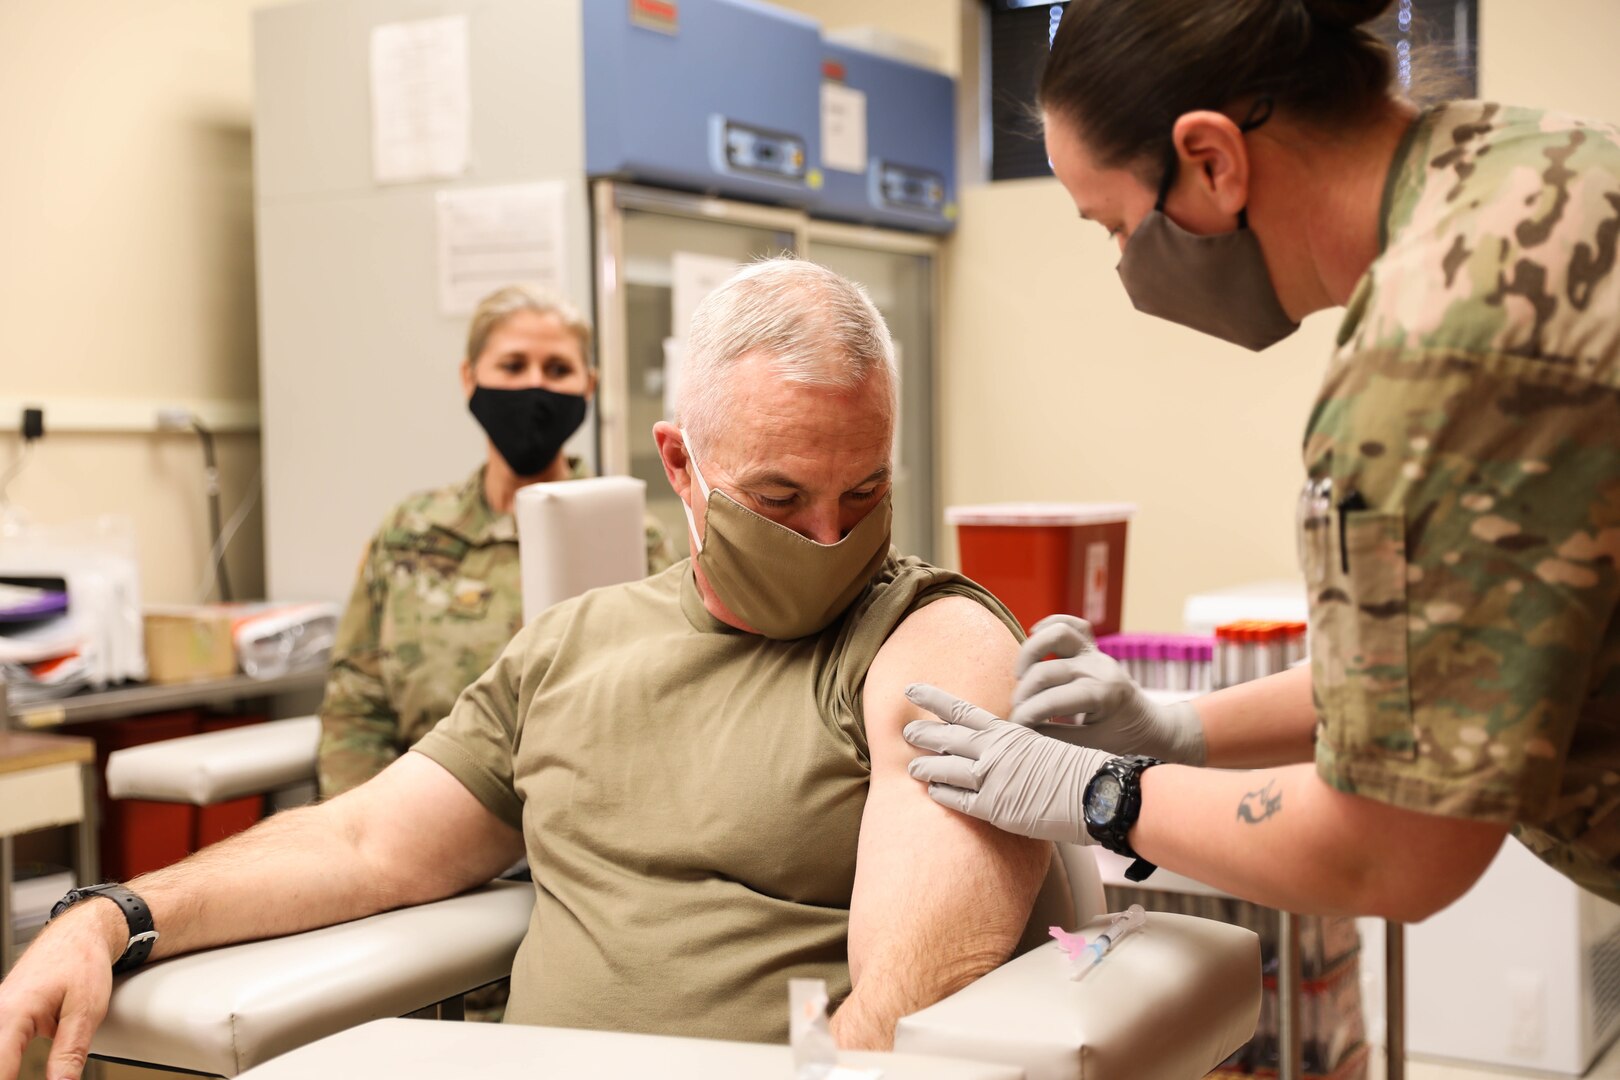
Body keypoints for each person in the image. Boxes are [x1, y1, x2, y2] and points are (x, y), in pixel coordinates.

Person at [5, 259, 1070, 1080]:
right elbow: (368, 840)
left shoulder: (931, 637)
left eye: (866, 491)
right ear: (680, 465)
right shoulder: (573, 646)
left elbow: (899, 1004)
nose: (833, 536)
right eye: (783, 500)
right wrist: (108, 916)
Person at [906, 0, 1620, 920]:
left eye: (1117, 227)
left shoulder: (1435, 363)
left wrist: (1104, 794)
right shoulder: (1529, 164)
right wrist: (1180, 727)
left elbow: (1387, 855)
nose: (1127, 265)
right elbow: (1449, 650)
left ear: (1211, 159)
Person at [317, 285, 674, 798]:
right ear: (470, 378)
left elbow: (668, 712)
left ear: (588, 386)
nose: (535, 385)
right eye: (512, 366)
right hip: (419, 818)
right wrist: (356, 829)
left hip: (583, 820)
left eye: (557, 370)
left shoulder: (635, 541)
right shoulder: (409, 533)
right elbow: (356, 704)